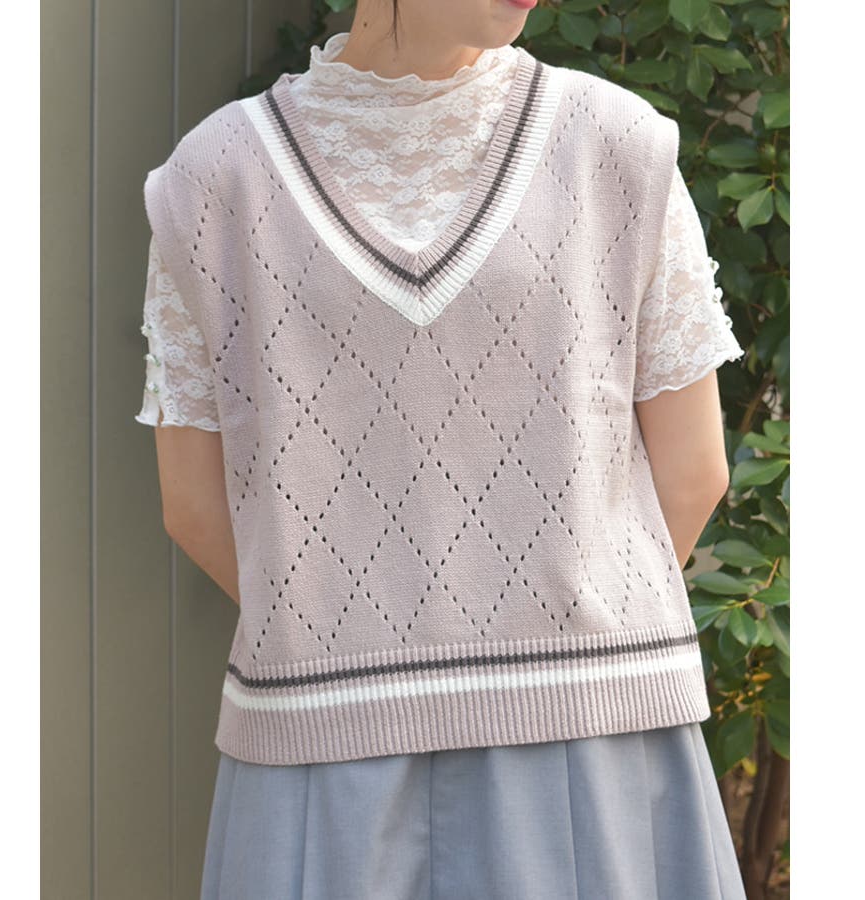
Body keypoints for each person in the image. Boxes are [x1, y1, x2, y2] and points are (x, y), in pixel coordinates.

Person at [135, 1, 748, 897]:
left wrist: (346, 623)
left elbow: (194, 507)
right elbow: (694, 469)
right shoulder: (613, 140)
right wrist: (561, 625)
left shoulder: (212, 171)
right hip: (584, 738)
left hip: (334, 743)